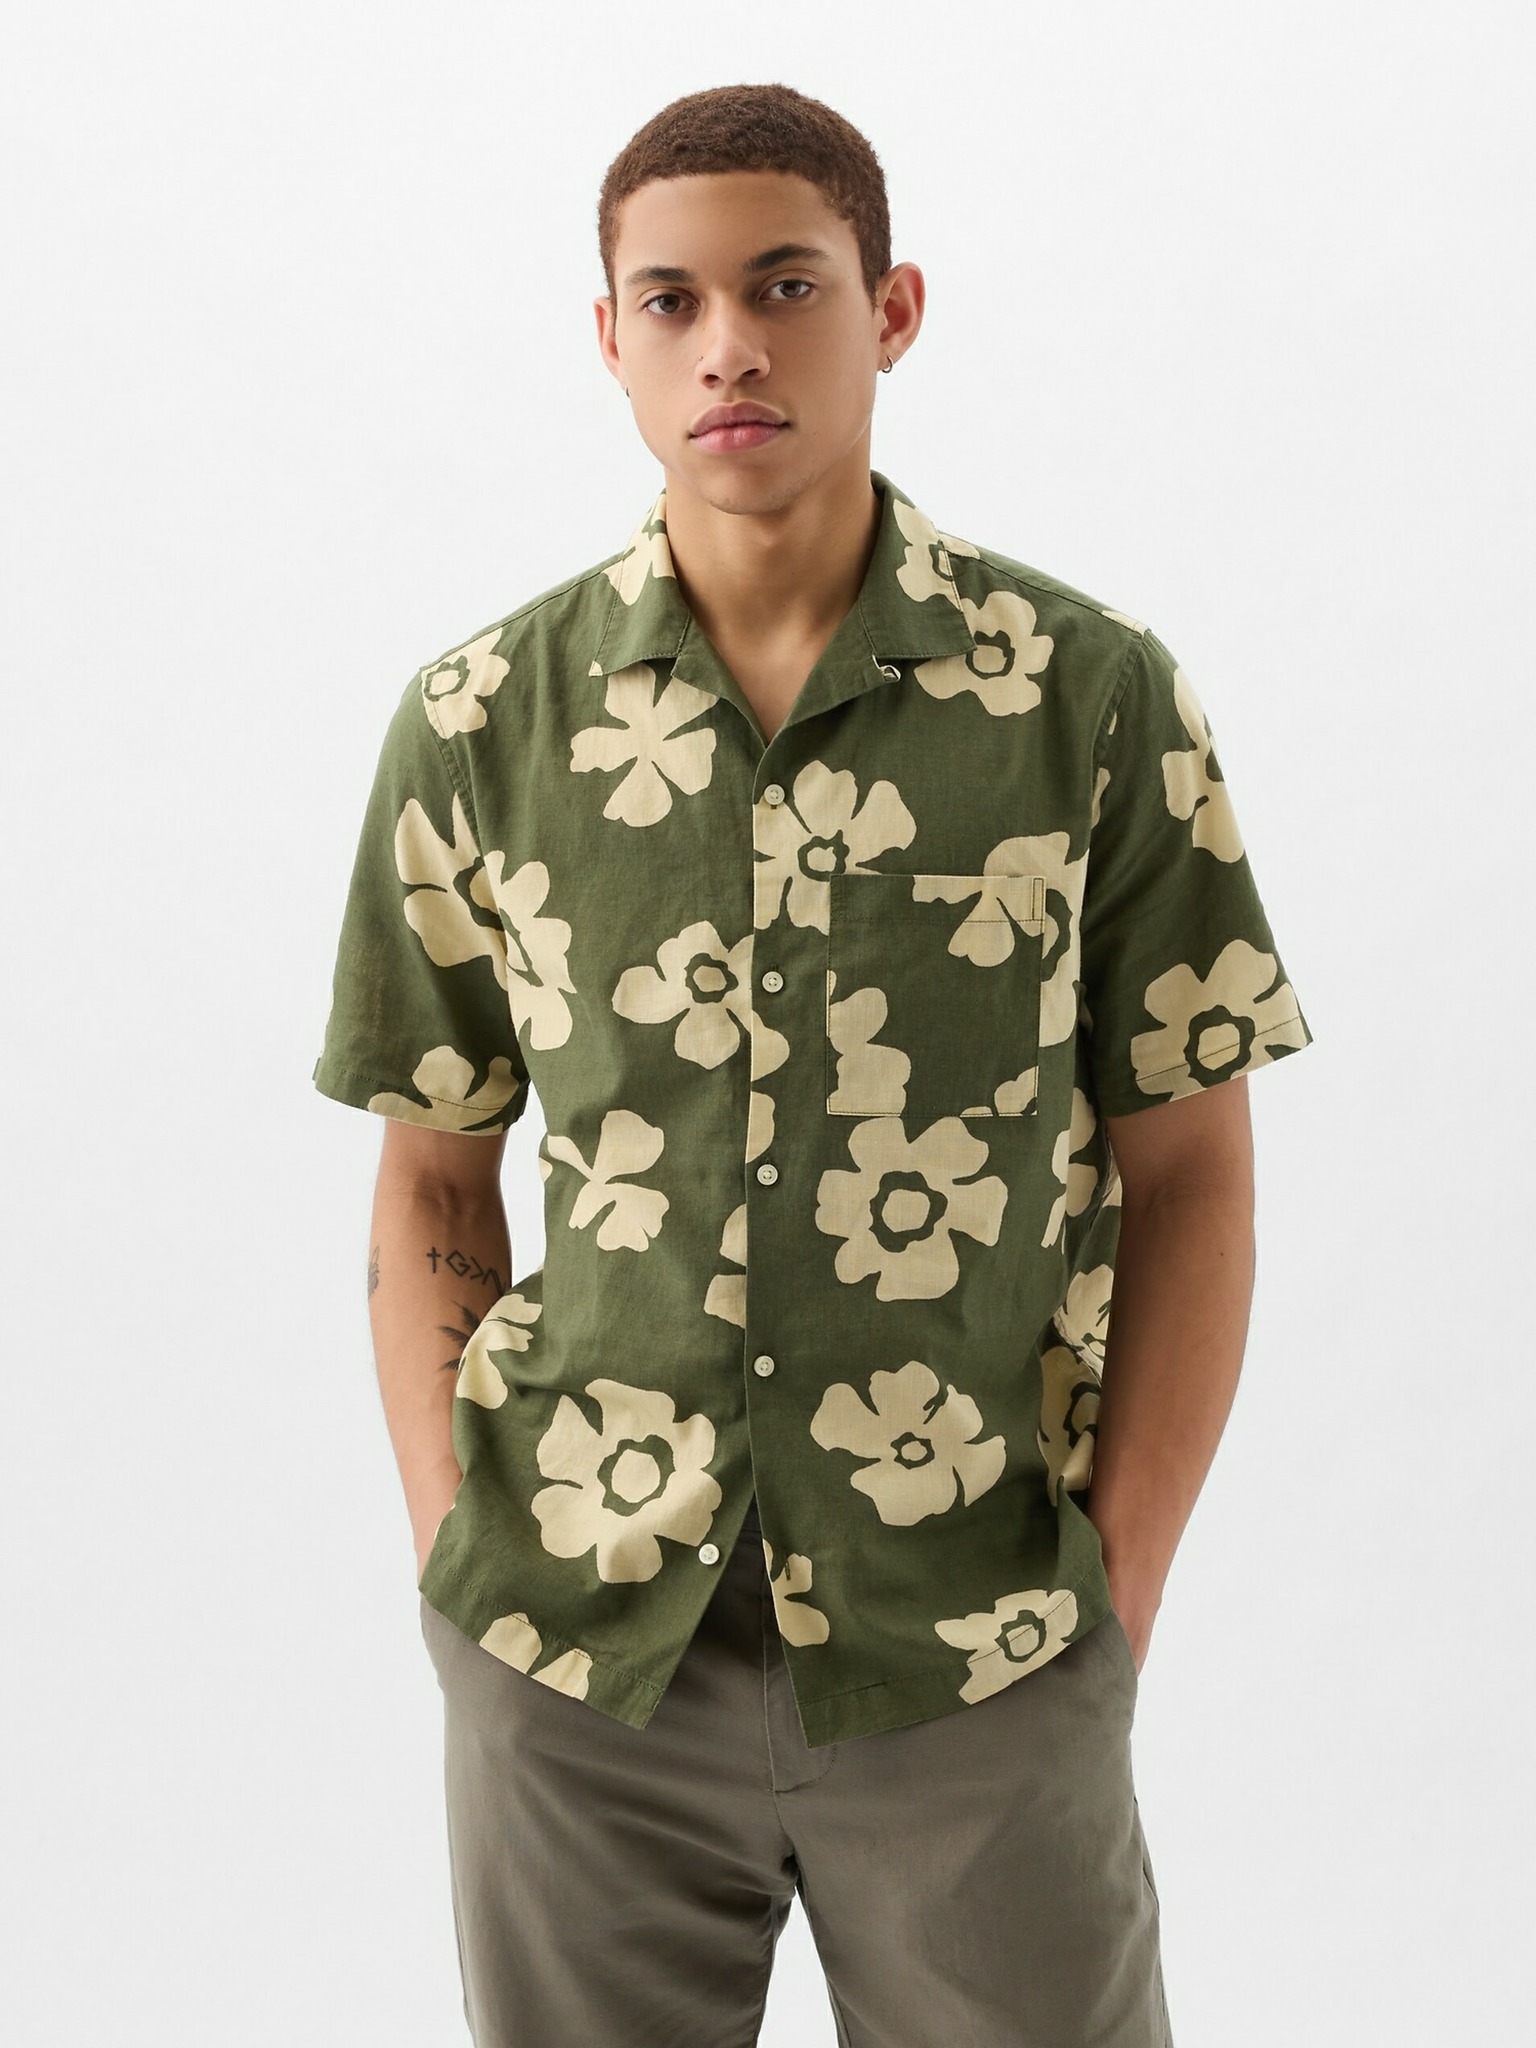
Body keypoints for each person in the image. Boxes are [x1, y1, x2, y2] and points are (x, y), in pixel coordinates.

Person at [313, 79, 1315, 2048]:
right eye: (671, 300)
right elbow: (435, 1165)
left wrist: (1112, 1595)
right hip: (576, 1653)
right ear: (611, 338)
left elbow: (1194, 1164)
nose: (730, 346)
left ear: (892, 308)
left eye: (786, 285)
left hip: (977, 1643)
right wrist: (454, 1553)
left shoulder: (1089, 700)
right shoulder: (483, 720)